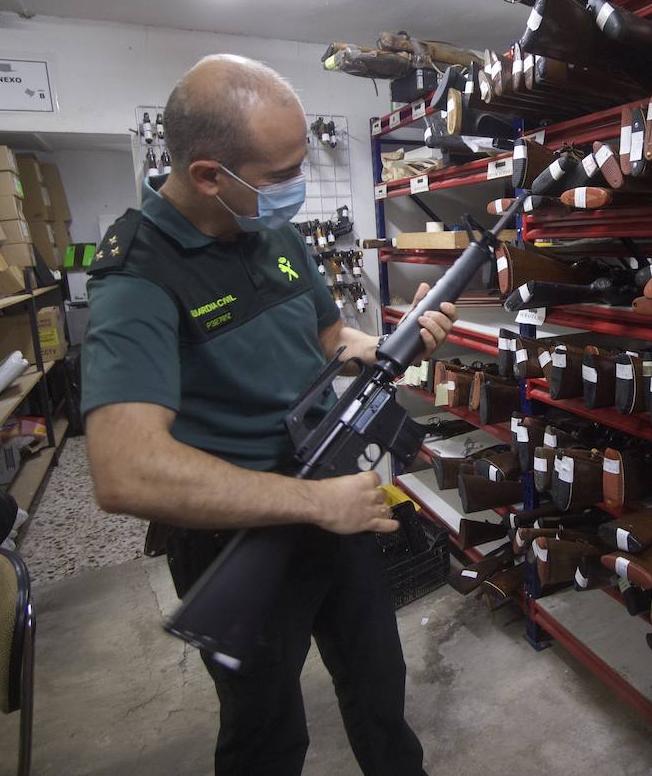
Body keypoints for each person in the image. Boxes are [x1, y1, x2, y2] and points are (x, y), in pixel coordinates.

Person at [82, 54, 454, 776]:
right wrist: (311, 502)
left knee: (379, 686)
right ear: (209, 176)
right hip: (238, 535)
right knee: (265, 731)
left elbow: (324, 337)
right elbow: (123, 469)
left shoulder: (270, 228)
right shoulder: (138, 275)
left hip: (332, 494)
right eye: (282, 174)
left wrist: (379, 345)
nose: (297, 188)